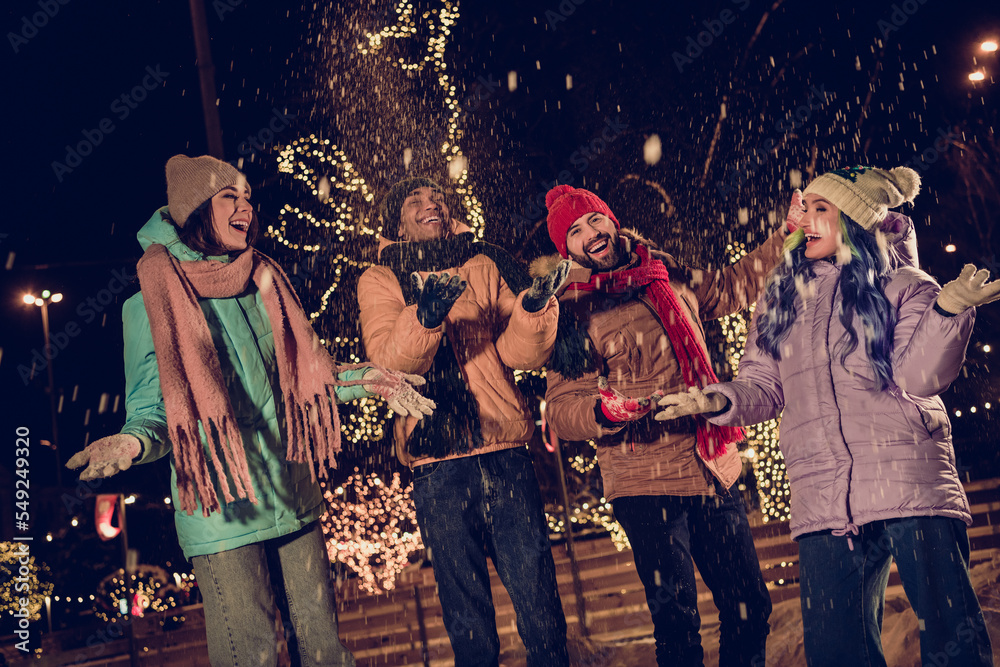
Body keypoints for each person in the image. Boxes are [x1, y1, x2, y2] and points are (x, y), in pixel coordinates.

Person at [67, 155, 433, 667]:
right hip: (223, 509)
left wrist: (370, 378)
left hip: (293, 491)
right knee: (252, 657)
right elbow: (154, 407)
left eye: (248, 199)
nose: (246, 208)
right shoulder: (149, 301)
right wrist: (132, 441)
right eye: (229, 198)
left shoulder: (265, 280)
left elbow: (312, 377)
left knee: (326, 653)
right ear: (196, 210)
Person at [655, 165, 998, 666]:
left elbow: (919, 379)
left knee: (952, 639)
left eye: (823, 210)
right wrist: (716, 400)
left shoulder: (902, 284)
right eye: (805, 209)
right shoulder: (781, 298)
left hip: (909, 479)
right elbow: (763, 385)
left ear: (856, 221)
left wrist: (948, 313)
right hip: (823, 493)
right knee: (836, 650)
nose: (806, 220)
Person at [540, 183, 795, 666]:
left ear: (611, 221)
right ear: (565, 248)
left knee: (749, 608)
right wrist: (603, 411)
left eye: (594, 220)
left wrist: (787, 235)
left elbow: (737, 283)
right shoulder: (572, 312)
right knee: (678, 624)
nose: (590, 234)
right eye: (574, 231)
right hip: (642, 482)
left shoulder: (668, 273)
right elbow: (561, 406)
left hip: (709, 467)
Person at [356, 177, 572, 667]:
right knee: (468, 620)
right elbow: (390, 362)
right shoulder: (380, 278)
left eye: (437, 200)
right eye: (415, 201)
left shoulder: (481, 262)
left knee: (540, 606)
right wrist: (426, 315)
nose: (430, 206)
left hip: (504, 453)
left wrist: (533, 311)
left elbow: (516, 354)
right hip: (438, 469)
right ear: (398, 223)